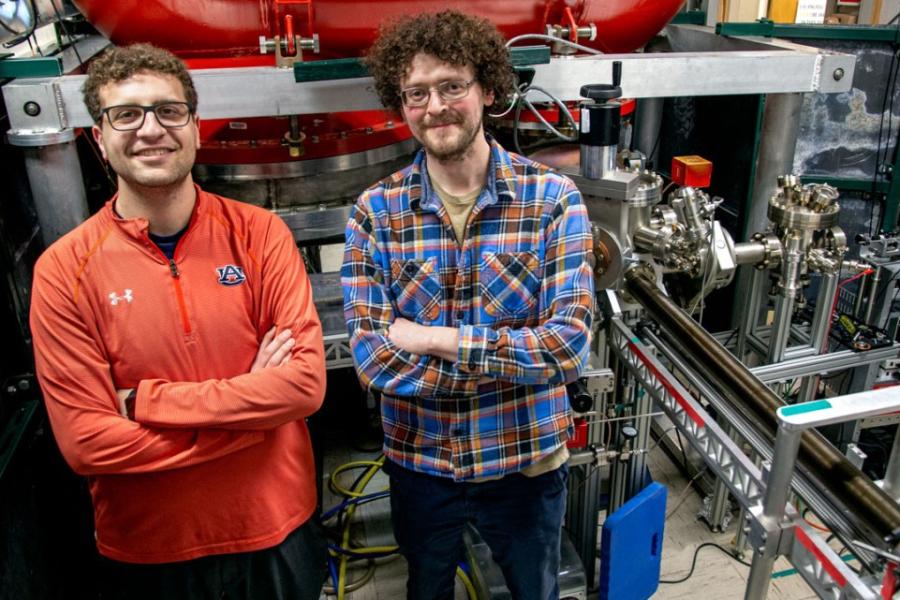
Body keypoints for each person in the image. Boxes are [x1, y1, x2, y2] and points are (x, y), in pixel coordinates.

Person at [30, 44, 327, 600]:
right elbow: (88, 444)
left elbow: (304, 386)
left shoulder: (260, 235)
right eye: (126, 114)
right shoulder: (64, 270)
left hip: (276, 529)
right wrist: (256, 421)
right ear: (99, 138)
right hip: (149, 549)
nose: (150, 129)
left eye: (169, 111)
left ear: (194, 126)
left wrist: (145, 403)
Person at [341, 11, 595, 600]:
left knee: (536, 591)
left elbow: (567, 349)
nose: (435, 106)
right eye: (416, 93)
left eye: (452, 86)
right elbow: (374, 361)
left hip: (525, 465)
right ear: (399, 103)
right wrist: (512, 361)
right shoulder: (375, 212)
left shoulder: (553, 200)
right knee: (427, 590)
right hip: (423, 466)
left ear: (487, 89)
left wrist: (434, 340)